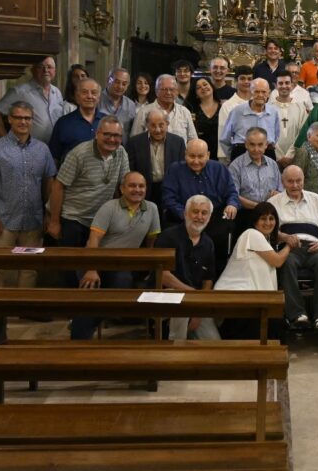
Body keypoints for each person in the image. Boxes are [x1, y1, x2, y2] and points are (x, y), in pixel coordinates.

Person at [0, 101, 57, 288]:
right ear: (10, 119)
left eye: (27, 118)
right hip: (4, 219)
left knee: (29, 266)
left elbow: (49, 182)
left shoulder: (42, 149)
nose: (23, 122)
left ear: (32, 121)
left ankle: (24, 307)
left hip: (33, 220)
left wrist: (48, 213)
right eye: (18, 117)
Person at [74, 172, 161, 339]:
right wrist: (92, 269)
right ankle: (82, 333)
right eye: (132, 185)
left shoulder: (152, 209)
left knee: (121, 282)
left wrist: (151, 266)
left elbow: (152, 241)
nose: (137, 189)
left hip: (123, 265)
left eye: (141, 186)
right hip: (96, 261)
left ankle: (89, 321)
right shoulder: (109, 207)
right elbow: (93, 240)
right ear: (122, 189)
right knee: (89, 293)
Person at [47, 116, 130, 288]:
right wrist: (54, 221)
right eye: (107, 134)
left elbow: (124, 185)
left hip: (100, 221)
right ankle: (69, 308)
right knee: (69, 267)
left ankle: (89, 310)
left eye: (117, 136)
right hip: (73, 218)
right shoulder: (79, 153)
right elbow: (58, 186)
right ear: (97, 134)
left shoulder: (121, 153)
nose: (112, 139)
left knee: (94, 268)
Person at [269, 165, 318, 330]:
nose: (294, 185)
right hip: (288, 247)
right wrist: (285, 237)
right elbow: (268, 228)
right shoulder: (274, 202)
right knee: (287, 264)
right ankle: (297, 314)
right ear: (283, 182)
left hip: (315, 245)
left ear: (303, 180)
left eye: (298, 181)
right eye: (290, 181)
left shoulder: (316, 199)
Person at [162, 139, 239, 271]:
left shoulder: (219, 168)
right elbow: (169, 198)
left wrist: (232, 204)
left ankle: (216, 276)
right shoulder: (175, 169)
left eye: (200, 156)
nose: (196, 161)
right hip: (185, 216)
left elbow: (232, 192)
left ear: (208, 155)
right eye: (192, 156)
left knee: (222, 236)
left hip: (214, 216)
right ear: (185, 154)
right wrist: (185, 214)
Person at [215, 201, 288, 340]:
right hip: (237, 299)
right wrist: (290, 245)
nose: (268, 222)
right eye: (263, 218)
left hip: (252, 301)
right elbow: (278, 261)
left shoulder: (264, 241)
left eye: (271, 218)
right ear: (255, 221)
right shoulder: (251, 234)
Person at [154, 194, 221, 340]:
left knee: (214, 344)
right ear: (185, 213)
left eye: (204, 213)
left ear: (210, 216)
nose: (199, 217)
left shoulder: (208, 243)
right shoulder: (168, 236)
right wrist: (191, 293)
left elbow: (208, 279)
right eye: (195, 211)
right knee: (181, 304)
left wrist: (199, 308)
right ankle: (174, 354)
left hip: (195, 302)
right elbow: (162, 275)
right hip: (166, 298)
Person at [0, 56, 64, 143]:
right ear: (33, 70)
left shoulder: (57, 92)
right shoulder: (20, 92)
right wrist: (7, 141)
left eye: (49, 67)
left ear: (55, 71)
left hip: (55, 149)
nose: (46, 70)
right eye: (40, 67)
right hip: (29, 149)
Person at [125, 109, 186, 215]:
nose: (157, 130)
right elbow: (130, 170)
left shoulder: (178, 142)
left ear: (167, 124)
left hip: (169, 191)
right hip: (143, 191)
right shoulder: (134, 143)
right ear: (147, 125)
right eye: (153, 125)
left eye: (161, 125)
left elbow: (182, 171)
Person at [229, 127, 283, 235]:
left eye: (260, 145)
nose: (256, 149)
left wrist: (278, 194)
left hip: (270, 214)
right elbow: (234, 195)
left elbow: (280, 190)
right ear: (246, 144)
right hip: (247, 214)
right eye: (252, 144)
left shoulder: (272, 164)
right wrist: (258, 207)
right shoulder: (236, 166)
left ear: (266, 145)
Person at [48, 78, 104, 165]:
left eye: (94, 93)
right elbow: (54, 157)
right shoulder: (63, 123)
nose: (89, 96)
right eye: (84, 92)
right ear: (77, 97)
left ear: (99, 97)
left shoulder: (108, 122)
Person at [222, 78, 279, 161]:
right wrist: (233, 157)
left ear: (269, 93)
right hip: (241, 153)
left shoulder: (273, 112)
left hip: (267, 154)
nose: (260, 95)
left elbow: (276, 135)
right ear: (250, 91)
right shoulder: (237, 111)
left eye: (263, 92)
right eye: (256, 91)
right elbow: (225, 139)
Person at [132, 75, 198, 142]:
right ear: (156, 91)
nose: (168, 93)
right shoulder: (143, 112)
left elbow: (193, 141)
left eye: (172, 89)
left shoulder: (185, 112)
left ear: (177, 92)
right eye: (164, 89)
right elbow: (134, 142)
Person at [268, 71, 310, 161]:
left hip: (295, 157)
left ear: (291, 85)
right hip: (273, 157)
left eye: (287, 83)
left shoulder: (300, 108)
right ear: (276, 86)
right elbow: (268, 134)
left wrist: (290, 155)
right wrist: (279, 157)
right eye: (280, 83)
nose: (284, 86)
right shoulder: (268, 109)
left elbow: (303, 133)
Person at [218, 65, 254, 161]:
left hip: (258, 152)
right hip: (235, 154)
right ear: (235, 81)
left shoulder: (259, 103)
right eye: (242, 78)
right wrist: (225, 158)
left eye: (249, 79)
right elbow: (223, 134)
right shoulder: (228, 106)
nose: (246, 82)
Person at [185, 77, 223, 159]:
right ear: (196, 94)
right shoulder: (190, 110)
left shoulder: (224, 107)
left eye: (205, 84)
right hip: (198, 154)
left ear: (212, 87)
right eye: (198, 87)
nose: (203, 88)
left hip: (221, 153)